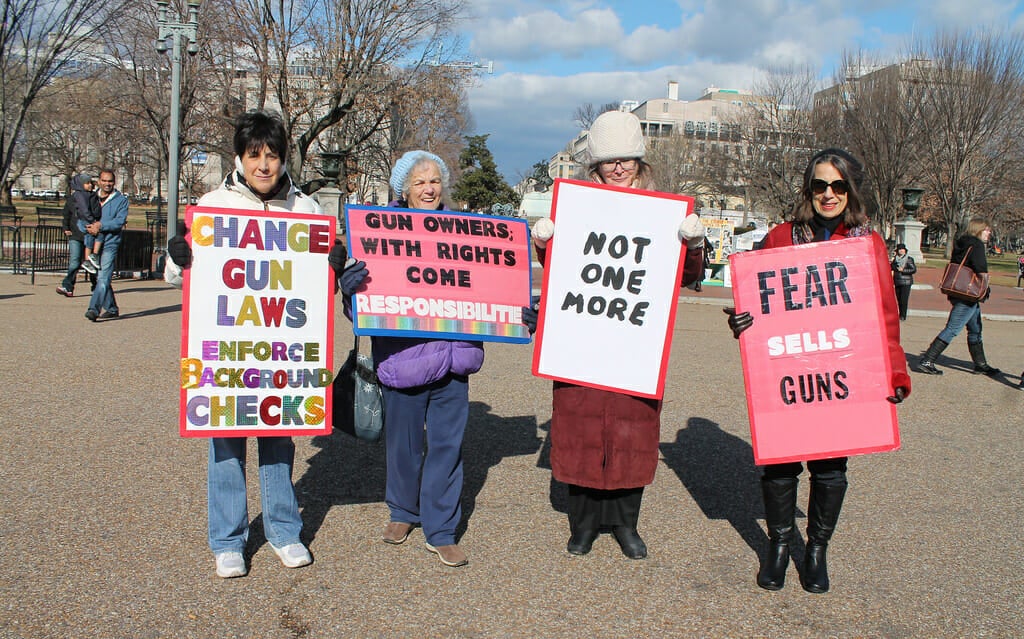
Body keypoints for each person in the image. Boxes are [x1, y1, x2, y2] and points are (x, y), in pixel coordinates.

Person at [724, 148, 911, 593]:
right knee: (781, 465)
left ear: (851, 190)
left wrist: (895, 372)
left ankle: (817, 550)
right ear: (809, 190)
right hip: (789, 366)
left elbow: (885, 313)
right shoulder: (781, 237)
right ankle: (779, 546)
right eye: (820, 185)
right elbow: (757, 298)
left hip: (841, 370)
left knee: (830, 468)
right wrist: (741, 322)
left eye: (838, 186)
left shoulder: (867, 243)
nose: (829, 194)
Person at [530, 111, 706, 560]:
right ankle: (583, 525)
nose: (619, 168)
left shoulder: (662, 213)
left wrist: (692, 244)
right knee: (580, 431)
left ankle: (626, 524)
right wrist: (545, 244)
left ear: (639, 161)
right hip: (583, 341)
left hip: (634, 344)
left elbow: (686, 276)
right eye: (609, 161)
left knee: (633, 434)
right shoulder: (576, 208)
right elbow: (562, 275)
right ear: (596, 166)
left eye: (627, 158)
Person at [165, 110, 320, 578]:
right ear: (240, 157)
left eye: (272, 155)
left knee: (278, 442)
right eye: (255, 155)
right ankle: (228, 540)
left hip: (280, 350)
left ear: (283, 159)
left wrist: (333, 265)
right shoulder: (212, 203)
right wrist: (176, 259)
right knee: (225, 444)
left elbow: (317, 288)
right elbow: (179, 279)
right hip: (227, 351)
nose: (264, 165)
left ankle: (283, 531)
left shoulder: (307, 210)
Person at [336, 150, 483, 568]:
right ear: (404, 189)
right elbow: (363, 307)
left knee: (446, 448)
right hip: (403, 361)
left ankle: (441, 529)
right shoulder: (379, 236)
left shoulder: (468, 234)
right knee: (402, 447)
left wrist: (515, 312)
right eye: (419, 182)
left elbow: (488, 285)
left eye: (434, 180)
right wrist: (350, 292)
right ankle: (403, 511)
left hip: (455, 360)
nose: (429, 188)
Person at [917, 218, 1000, 376]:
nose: (989, 233)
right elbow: (980, 267)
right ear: (978, 229)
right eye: (986, 230)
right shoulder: (976, 245)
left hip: (958, 289)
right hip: (969, 294)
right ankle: (927, 360)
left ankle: (980, 364)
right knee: (953, 328)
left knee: (975, 328)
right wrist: (985, 287)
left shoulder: (961, 242)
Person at [84, 169, 128, 321]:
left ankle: (93, 309)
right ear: (99, 182)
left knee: (103, 277)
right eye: (104, 180)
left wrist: (101, 226)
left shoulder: (121, 200)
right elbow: (82, 214)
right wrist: (87, 227)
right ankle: (111, 308)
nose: (107, 184)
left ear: (114, 182)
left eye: (110, 181)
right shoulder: (91, 197)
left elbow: (119, 222)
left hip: (110, 242)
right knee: (99, 276)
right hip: (92, 241)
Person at [56, 175, 91, 297]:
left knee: (91, 263)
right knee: (75, 261)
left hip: (89, 235)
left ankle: (96, 287)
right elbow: (66, 215)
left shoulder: (92, 197)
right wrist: (66, 228)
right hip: (75, 235)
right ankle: (68, 286)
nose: (90, 185)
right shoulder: (72, 199)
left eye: (90, 183)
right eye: (87, 183)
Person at [891, 243, 916, 321]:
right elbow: (892, 267)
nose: (901, 251)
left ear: (905, 250)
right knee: (898, 299)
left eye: (902, 249)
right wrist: (892, 260)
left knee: (904, 299)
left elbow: (913, 269)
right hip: (897, 281)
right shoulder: (895, 259)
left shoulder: (909, 259)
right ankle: (899, 314)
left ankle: (903, 315)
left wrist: (903, 270)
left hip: (906, 281)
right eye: (899, 249)